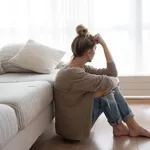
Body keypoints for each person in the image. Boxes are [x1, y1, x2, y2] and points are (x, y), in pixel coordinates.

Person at [54, 24, 150, 141]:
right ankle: (129, 127)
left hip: (70, 123)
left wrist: (104, 45)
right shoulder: (74, 74)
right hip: (73, 130)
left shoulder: (74, 68)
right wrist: (115, 82)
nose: (95, 52)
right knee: (108, 89)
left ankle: (121, 127)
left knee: (106, 88)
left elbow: (111, 72)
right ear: (89, 52)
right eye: (95, 49)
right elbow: (110, 80)